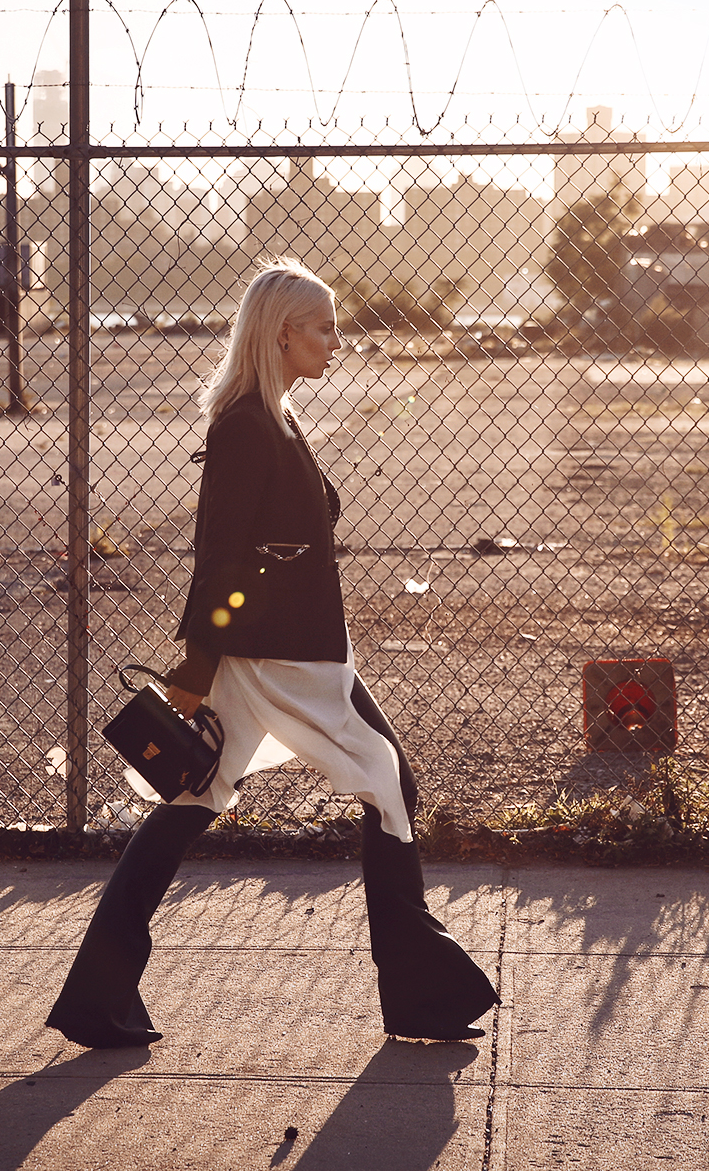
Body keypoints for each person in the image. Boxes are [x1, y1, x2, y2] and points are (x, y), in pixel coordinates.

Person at [46, 258, 499, 1049]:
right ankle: (421, 991)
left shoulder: (273, 413)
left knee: (192, 801)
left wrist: (211, 663)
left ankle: (96, 995)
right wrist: (193, 671)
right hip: (284, 660)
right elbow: (221, 556)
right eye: (322, 326)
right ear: (280, 332)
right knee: (391, 781)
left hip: (290, 652)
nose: (336, 340)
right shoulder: (247, 425)